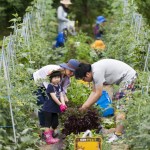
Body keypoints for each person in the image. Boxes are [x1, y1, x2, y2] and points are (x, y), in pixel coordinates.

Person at [74, 59, 137, 143]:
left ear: (88, 74)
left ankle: (118, 135)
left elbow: (98, 94)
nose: (84, 81)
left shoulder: (96, 72)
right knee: (116, 104)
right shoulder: (94, 70)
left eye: (83, 79)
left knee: (121, 106)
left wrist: (85, 107)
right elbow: (94, 91)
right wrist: (84, 106)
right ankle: (120, 131)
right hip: (126, 79)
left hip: (129, 78)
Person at [33, 59, 80, 127]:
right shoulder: (54, 72)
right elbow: (52, 92)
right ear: (66, 68)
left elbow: (62, 92)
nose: (72, 74)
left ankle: (51, 127)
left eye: (74, 72)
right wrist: (60, 104)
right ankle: (44, 129)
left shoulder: (67, 79)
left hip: (46, 85)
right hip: (37, 82)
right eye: (71, 71)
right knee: (43, 105)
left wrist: (67, 104)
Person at [42, 71, 67, 144]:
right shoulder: (50, 86)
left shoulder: (59, 86)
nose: (57, 79)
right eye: (55, 77)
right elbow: (54, 97)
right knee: (48, 123)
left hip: (55, 109)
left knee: (55, 123)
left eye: (58, 77)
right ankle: (48, 138)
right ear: (51, 79)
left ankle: (49, 134)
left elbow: (61, 95)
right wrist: (60, 104)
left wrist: (63, 104)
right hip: (48, 108)